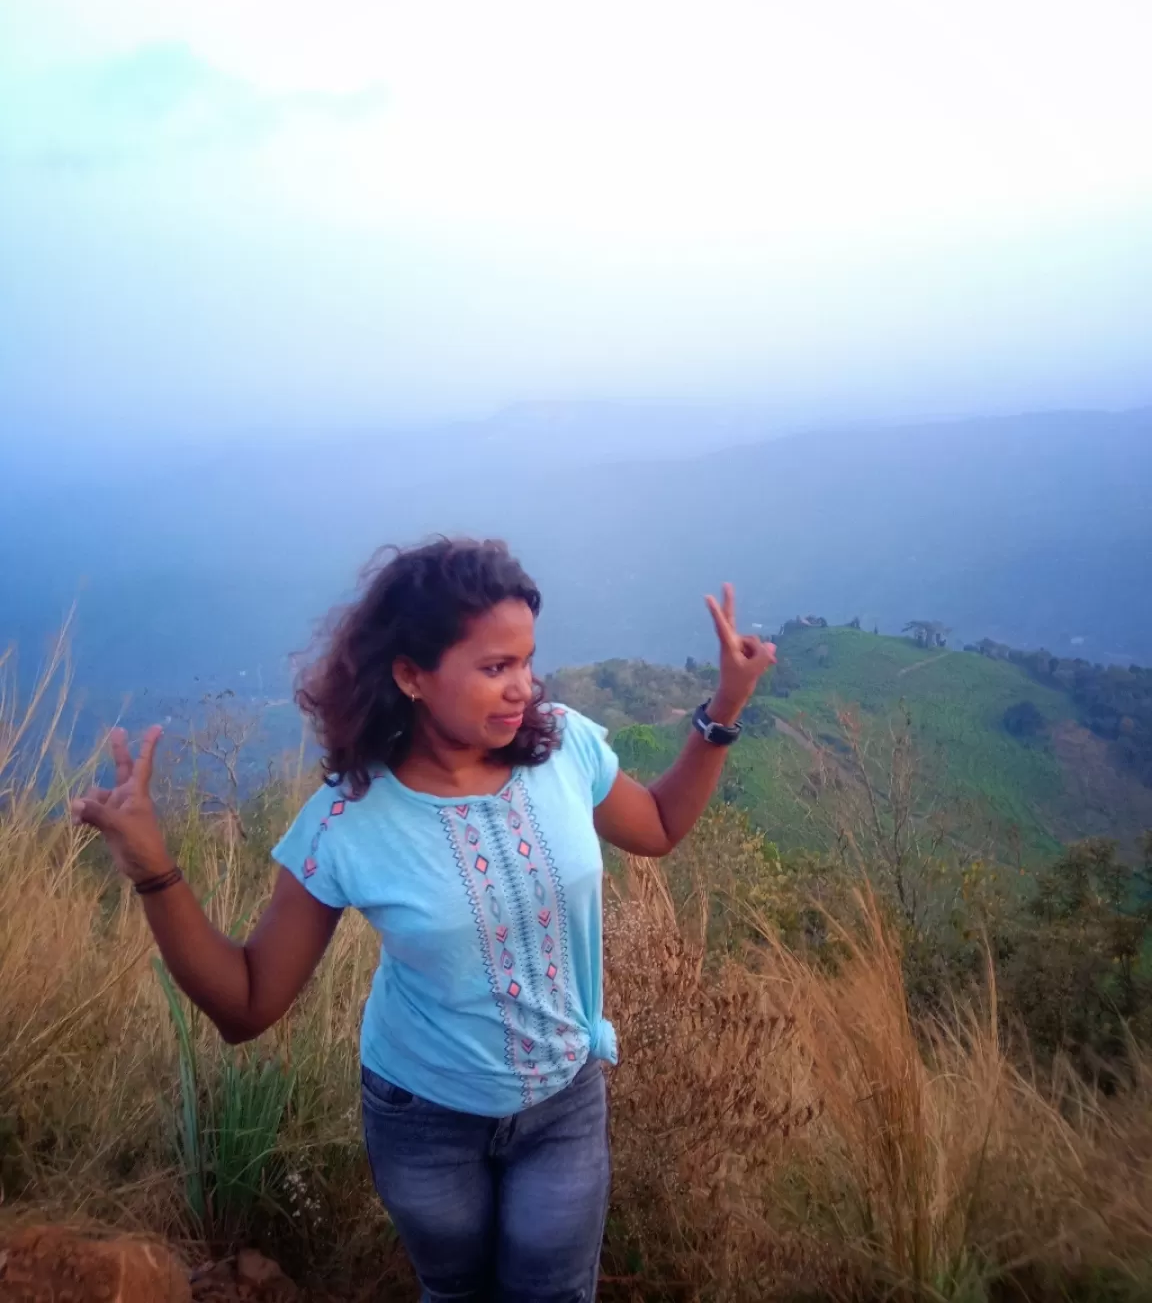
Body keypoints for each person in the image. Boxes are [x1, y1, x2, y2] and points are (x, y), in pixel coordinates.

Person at [72, 538, 775, 1303]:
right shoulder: (346, 823)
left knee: (554, 1292)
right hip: (424, 1117)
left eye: (527, 662)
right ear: (410, 675)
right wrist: (155, 873)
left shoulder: (564, 746)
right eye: (495, 668)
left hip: (563, 1103)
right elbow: (246, 1004)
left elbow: (662, 826)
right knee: (453, 1291)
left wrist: (725, 706)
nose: (523, 688)